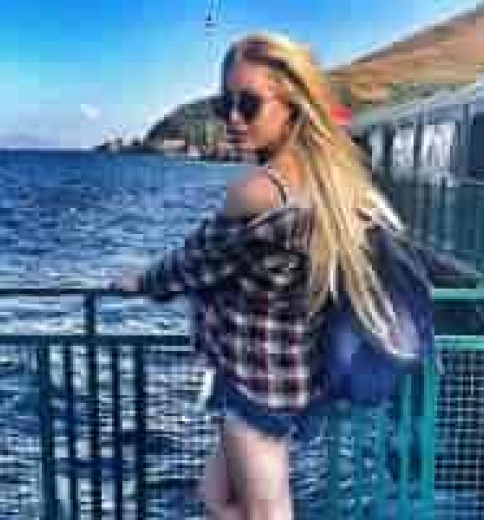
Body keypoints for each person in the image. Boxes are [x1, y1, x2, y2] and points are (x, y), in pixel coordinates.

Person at [109, 31, 404, 520]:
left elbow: (193, 263)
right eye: (224, 104)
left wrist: (140, 281)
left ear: (292, 104)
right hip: (295, 377)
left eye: (248, 104)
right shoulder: (329, 180)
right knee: (215, 498)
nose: (232, 118)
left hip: (255, 386)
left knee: (265, 512)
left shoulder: (259, 191)